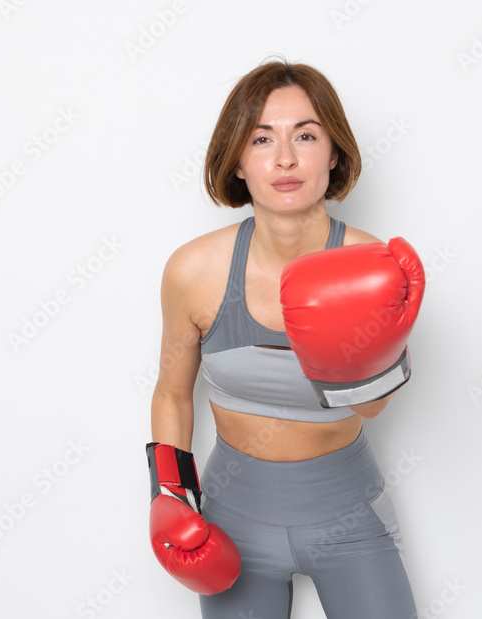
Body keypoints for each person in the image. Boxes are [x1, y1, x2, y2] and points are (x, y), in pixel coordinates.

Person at [145, 59, 425, 619]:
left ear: (335, 154)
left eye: (306, 135)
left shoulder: (373, 265)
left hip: (348, 514)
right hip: (234, 518)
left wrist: (355, 335)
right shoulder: (194, 271)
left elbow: (373, 407)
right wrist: (169, 496)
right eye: (261, 138)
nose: (286, 158)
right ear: (238, 162)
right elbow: (173, 392)